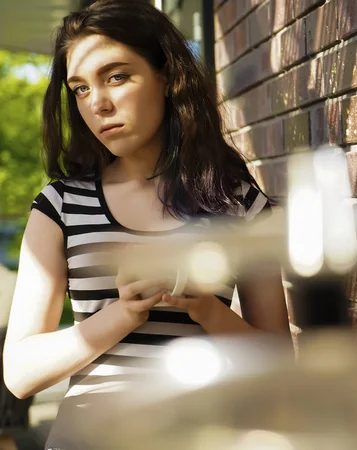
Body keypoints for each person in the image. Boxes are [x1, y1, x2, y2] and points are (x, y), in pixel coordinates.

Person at [2, 1, 292, 448]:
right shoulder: (59, 206)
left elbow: (280, 366)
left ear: (167, 77)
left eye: (116, 76)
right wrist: (121, 315)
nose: (97, 103)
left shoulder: (239, 205)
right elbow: (19, 374)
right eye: (79, 88)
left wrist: (204, 306)